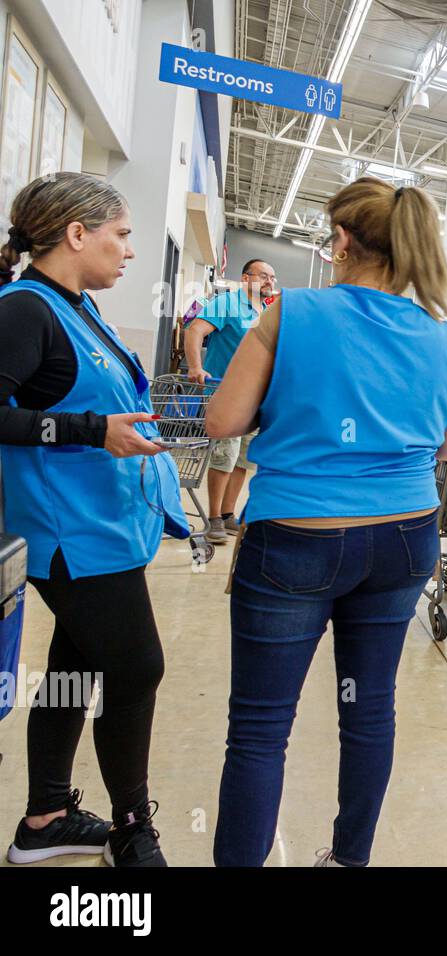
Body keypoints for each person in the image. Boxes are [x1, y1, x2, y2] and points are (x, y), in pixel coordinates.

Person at [208, 178, 447, 867]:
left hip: (299, 537)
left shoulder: (291, 313)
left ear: (343, 243)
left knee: (262, 728)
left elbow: (223, 421)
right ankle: (348, 860)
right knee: (369, 709)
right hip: (407, 539)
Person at [0, 172, 189, 867]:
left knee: (74, 669)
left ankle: (45, 817)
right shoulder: (24, 308)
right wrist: (88, 428)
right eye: (122, 234)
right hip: (68, 536)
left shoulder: (74, 307)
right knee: (137, 668)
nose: (130, 251)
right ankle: (131, 827)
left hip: (104, 528)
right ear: (77, 235)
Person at [183, 258, 276, 544]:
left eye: (272, 277)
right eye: (263, 276)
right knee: (225, 455)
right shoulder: (227, 304)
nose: (269, 281)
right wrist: (195, 367)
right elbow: (194, 330)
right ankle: (213, 519)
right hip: (226, 392)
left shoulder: (266, 311)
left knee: (243, 459)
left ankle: (227, 514)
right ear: (246, 278)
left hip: (256, 396)